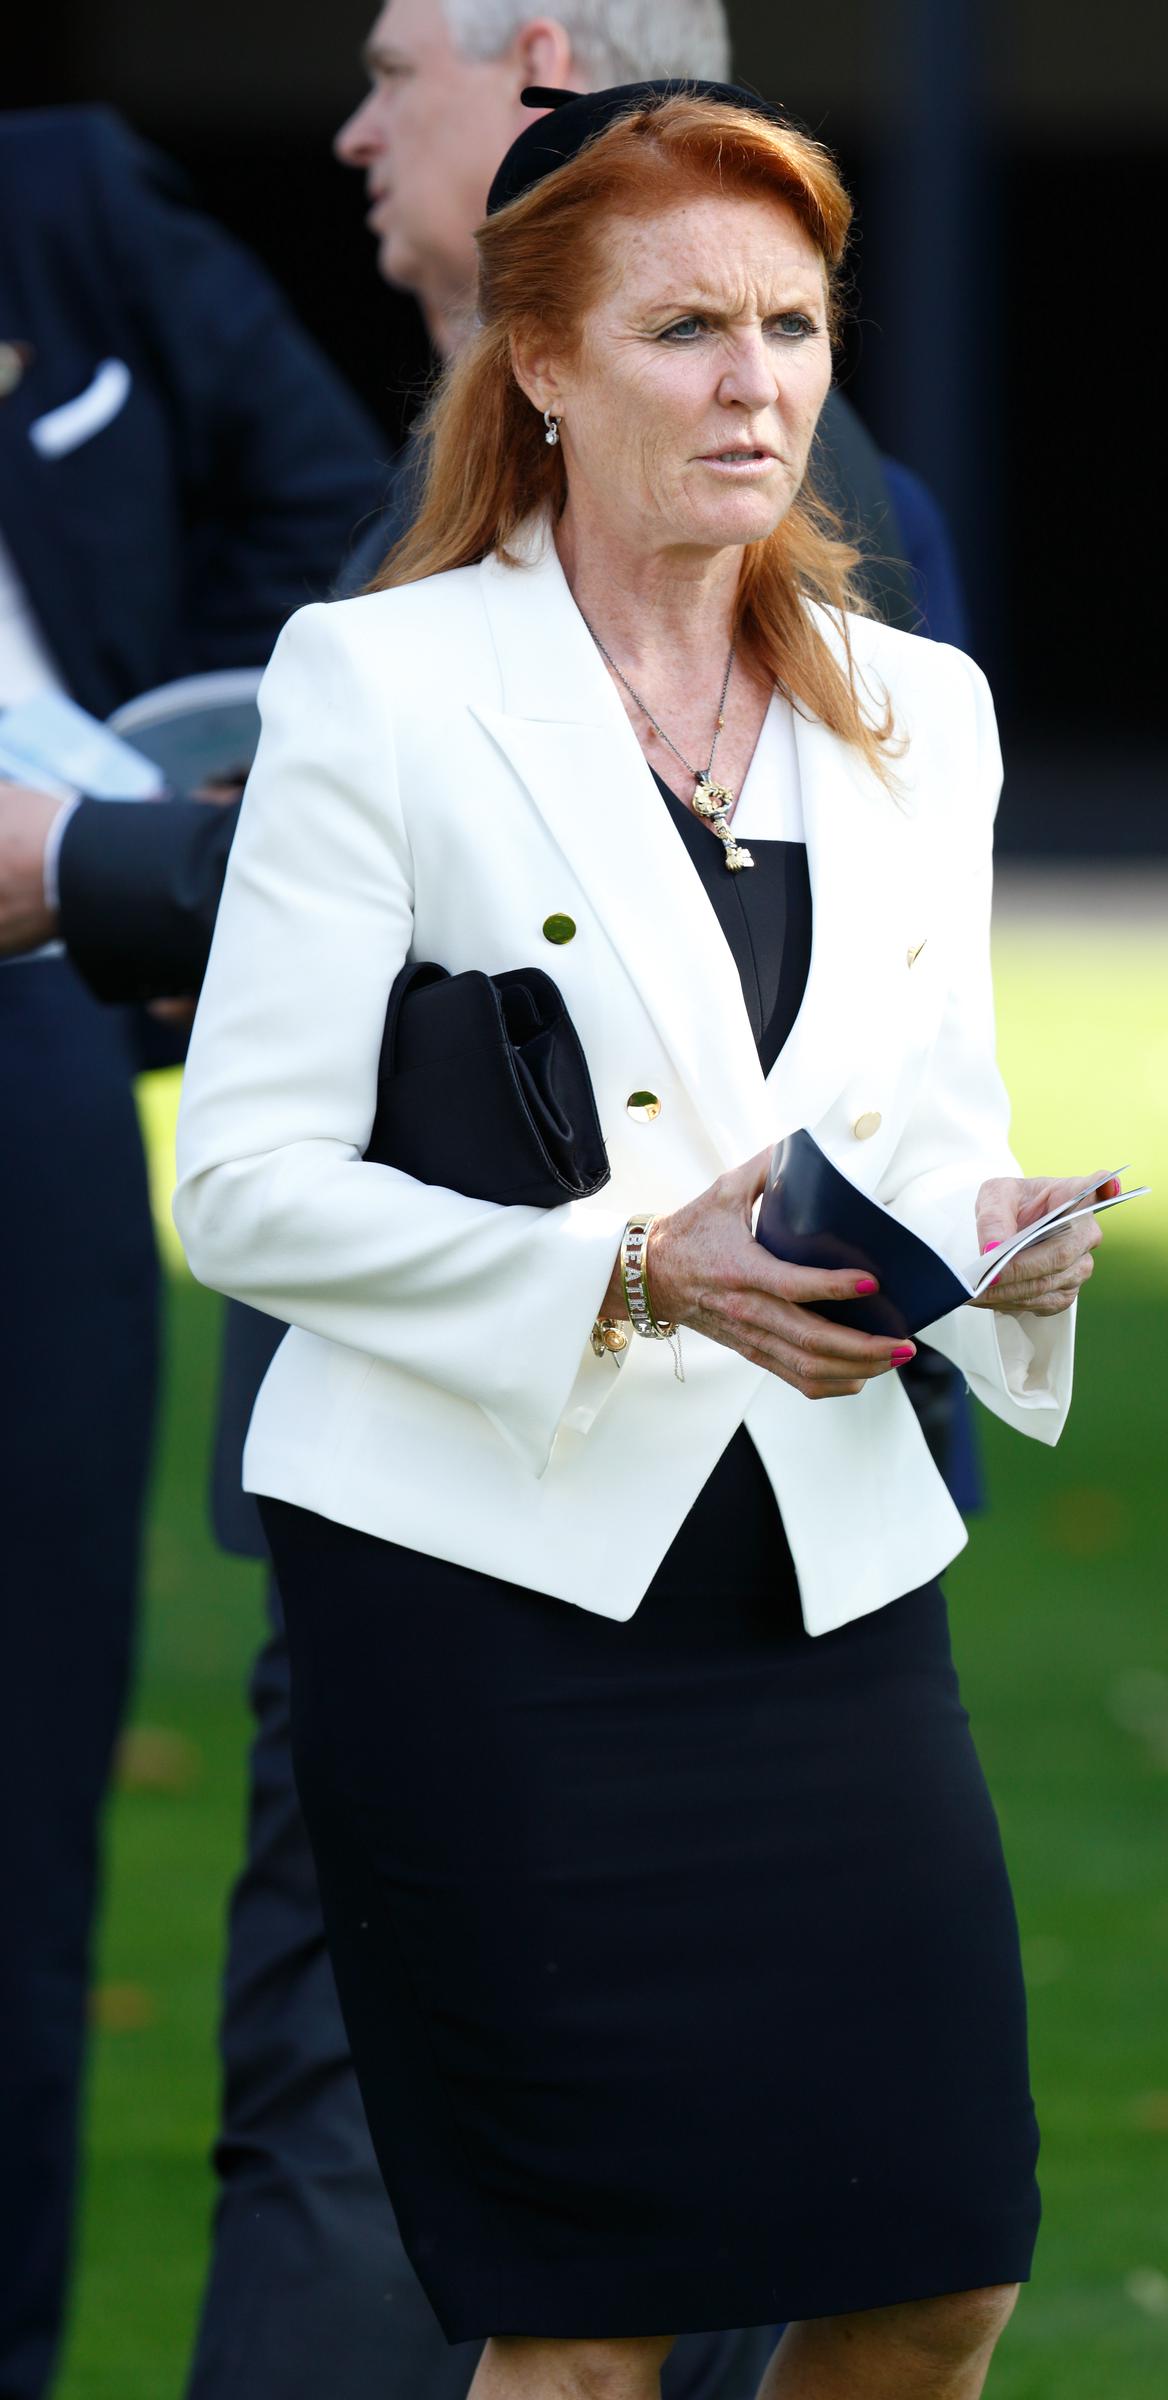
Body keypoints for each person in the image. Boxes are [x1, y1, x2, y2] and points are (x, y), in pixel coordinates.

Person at [0, 13, 974, 2400]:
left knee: (888, 2258)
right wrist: (637, 1265)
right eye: (694, 329)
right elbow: (276, 1132)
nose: (752, 386)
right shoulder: (407, 624)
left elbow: (883, 1084)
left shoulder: (875, 649)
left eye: (788, 330)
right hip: (459, 1523)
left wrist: (994, 1247)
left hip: (779, 1532)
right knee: (539, 2274)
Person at [0, 104, 382, 2400]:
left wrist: (171, 839)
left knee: (19, 1820)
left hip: (23, 1025)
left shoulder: (61, 198)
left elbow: (348, 528)